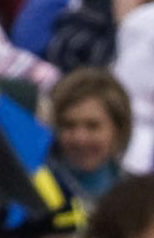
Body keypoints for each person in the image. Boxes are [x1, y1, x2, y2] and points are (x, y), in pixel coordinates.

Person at [48, 66, 132, 207]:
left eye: (92, 126)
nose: (80, 138)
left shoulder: (136, 197)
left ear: (118, 130)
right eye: (68, 125)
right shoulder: (35, 191)